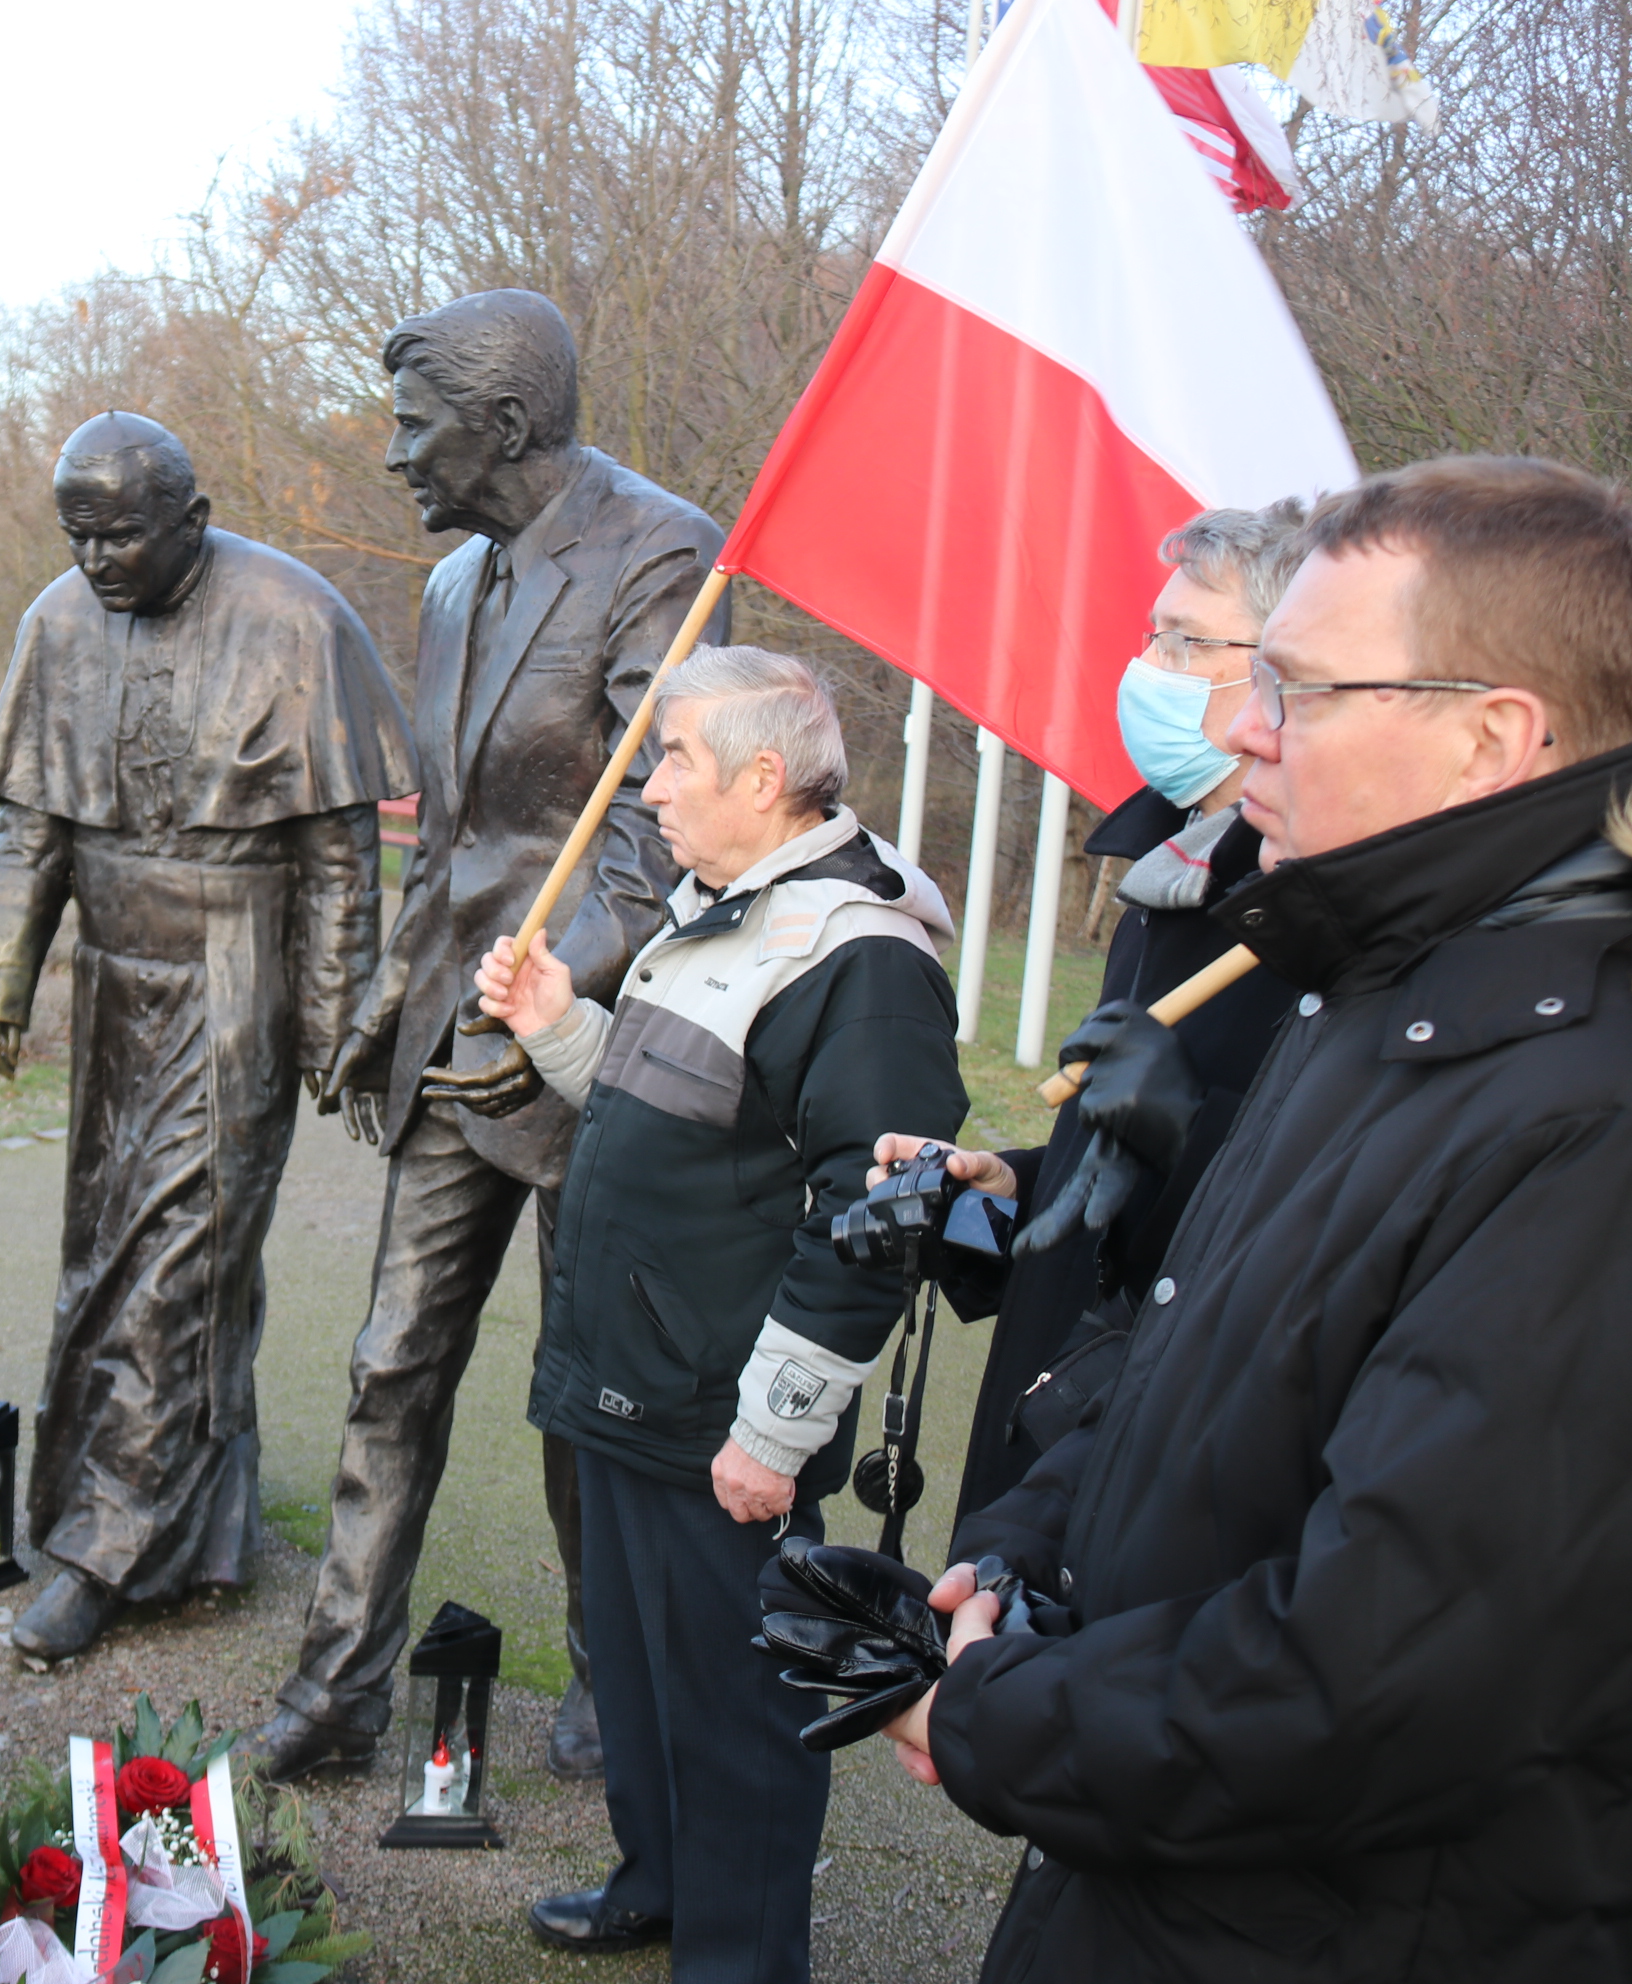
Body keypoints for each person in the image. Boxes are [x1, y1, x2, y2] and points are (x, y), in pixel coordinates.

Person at [887, 457, 1632, 1980]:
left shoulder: (1596, 1114)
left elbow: (1383, 1674)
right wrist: (1033, 1547)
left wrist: (996, 1717)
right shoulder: (1370, 993)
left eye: (1296, 687)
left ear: (1493, 738)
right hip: (1165, 1894)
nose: (1245, 726)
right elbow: (1199, 1345)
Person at [246, 287, 730, 1784]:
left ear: (506, 424)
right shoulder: (455, 582)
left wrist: (556, 992)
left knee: (589, 1391)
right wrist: (388, 995)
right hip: (454, 1040)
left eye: (417, 425)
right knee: (392, 1361)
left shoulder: (661, 552)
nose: (396, 454)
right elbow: (449, 839)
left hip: (589, 1039)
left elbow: (657, 829)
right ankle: (337, 1684)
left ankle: (612, 1675)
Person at [477, 646, 967, 1970]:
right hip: (627, 1378)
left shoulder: (860, 960)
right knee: (639, 1669)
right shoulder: (716, 907)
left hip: (718, 1412)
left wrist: (774, 1433)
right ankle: (659, 1881)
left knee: (735, 1706)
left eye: (673, 759)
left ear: (762, 776)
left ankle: (739, 1956)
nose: (648, 788)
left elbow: (873, 1224)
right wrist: (558, 1023)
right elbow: (662, 1115)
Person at [0, 412, 415, 1662]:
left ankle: (105, 1550)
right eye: (78, 535)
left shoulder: (294, 617)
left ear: (190, 521)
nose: (96, 560)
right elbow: (31, 829)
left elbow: (340, 853)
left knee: (178, 1264)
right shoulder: (58, 621)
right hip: (114, 980)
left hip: (233, 976)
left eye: (120, 535)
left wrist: (335, 1019)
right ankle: (203, 1525)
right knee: (111, 1259)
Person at [883, 502, 1310, 1522]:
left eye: (1187, 642)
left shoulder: (1301, 928)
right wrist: (1014, 1187)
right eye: (1153, 635)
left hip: (1150, 1459)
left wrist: (1173, 1135)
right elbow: (1117, 1159)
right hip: (1042, 1413)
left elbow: (1263, 1219)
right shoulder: (1165, 880)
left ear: (1283, 676)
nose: (1150, 667)